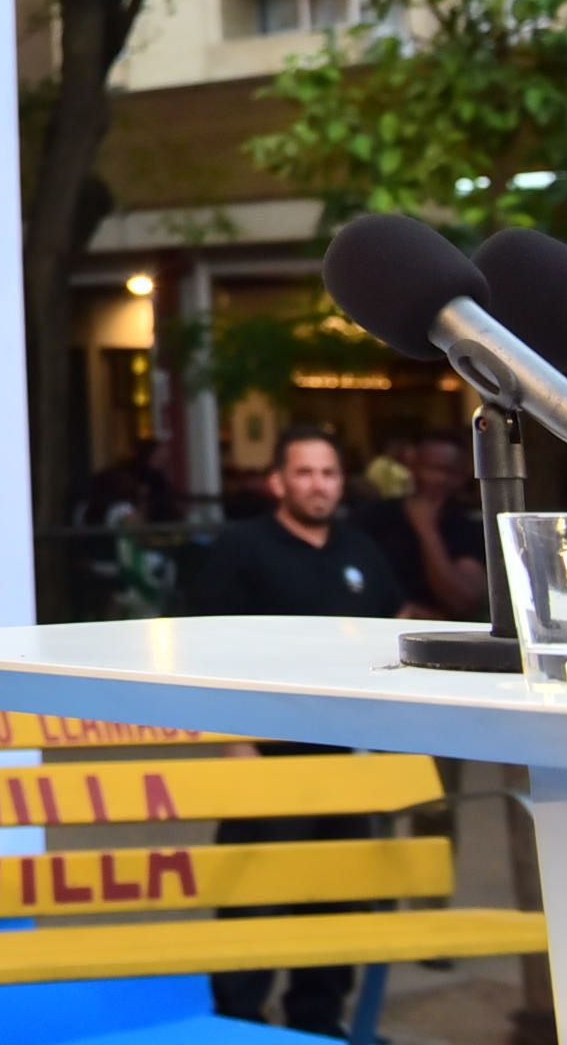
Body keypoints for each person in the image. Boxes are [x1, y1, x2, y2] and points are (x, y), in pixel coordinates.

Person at [184, 427, 401, 1036]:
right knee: (256, 896)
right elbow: (207, 654)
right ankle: (239, 1021)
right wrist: (232, 741)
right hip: (267, 758)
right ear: (278, 481)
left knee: (337, 900)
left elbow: (387, 639)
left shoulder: (361, 554)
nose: (318, 485)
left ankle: (321, 1023)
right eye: (304, 473)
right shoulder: (240, 549)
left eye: (328, 473)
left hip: (347, 764)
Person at [353, 427, 484, 621]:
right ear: (412, 466)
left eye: (450, 472)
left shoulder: (468, 527)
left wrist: (427, 530)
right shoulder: (373, 517)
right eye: (432, 468)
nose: (440, 479)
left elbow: (464, 600)